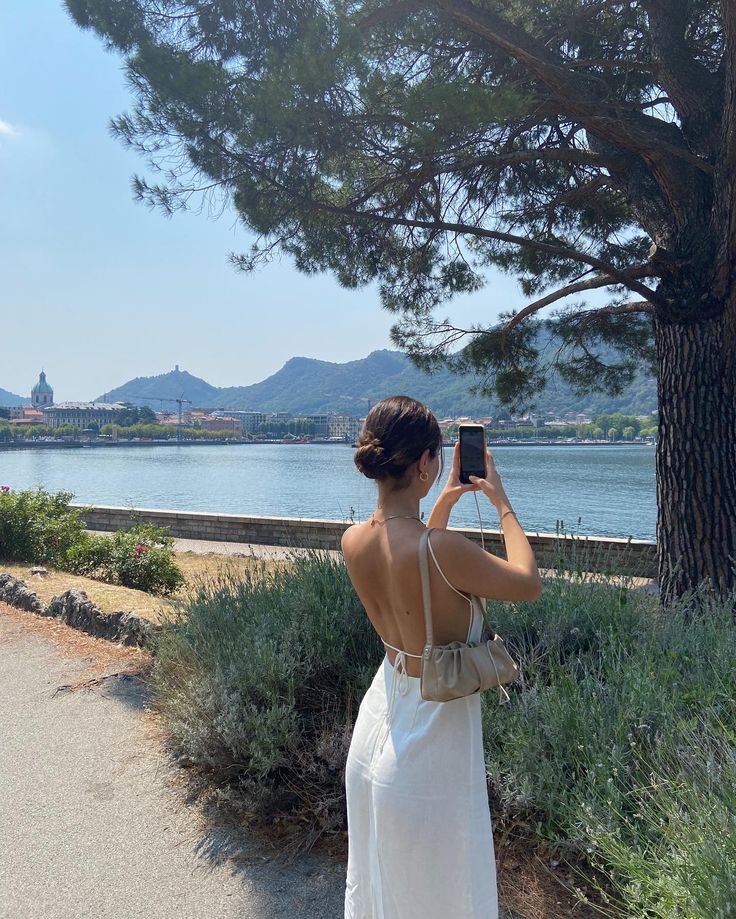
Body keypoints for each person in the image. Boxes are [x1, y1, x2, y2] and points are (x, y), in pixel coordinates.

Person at [341, 395, 542, 919]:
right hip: (430, 741)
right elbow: (526, 582)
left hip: (378, 725)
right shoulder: (440, 551)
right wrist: (501, 501)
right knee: (441, 896)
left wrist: (444, 502)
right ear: (426, 463)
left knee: (383, 890)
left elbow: (420, 556)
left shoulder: (354, 541)